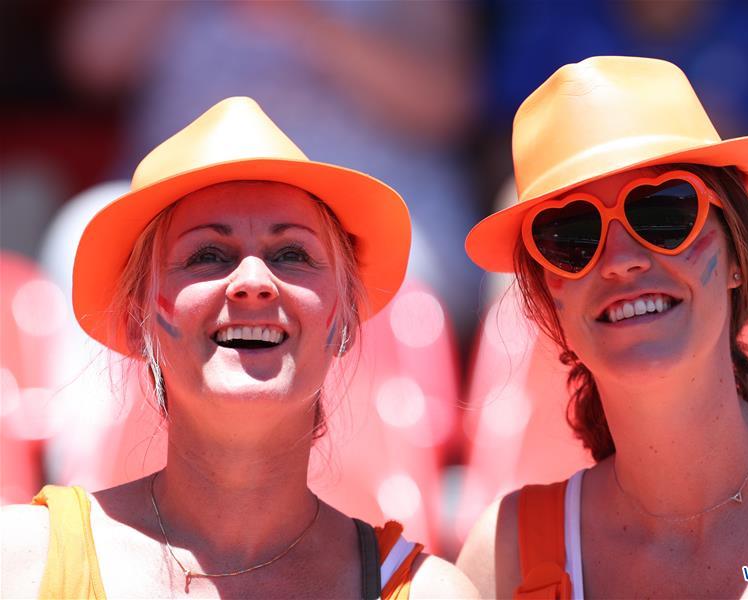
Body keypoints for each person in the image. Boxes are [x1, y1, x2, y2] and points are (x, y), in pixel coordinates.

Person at [1, 97, 477, 599]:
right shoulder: (18, 564)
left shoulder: (432, 593)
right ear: (142, 320)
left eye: (291, 254)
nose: (253, 282)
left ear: (343, 321)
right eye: (208, 255)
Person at [456, 57, 748, 599]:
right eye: (571, 234)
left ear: (739, 255)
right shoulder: (505, 558)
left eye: (663, 211)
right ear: (553, 304)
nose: (619, 260)